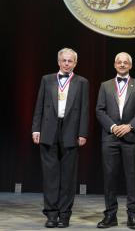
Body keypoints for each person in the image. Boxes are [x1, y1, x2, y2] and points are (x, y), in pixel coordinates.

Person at [32, 48, 89, 228]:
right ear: (58, 62)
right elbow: (39, 105)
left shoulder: (82, 82)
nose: (66, 63)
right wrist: (36, 129)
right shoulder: (47, 79)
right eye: (63, 60)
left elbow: (85, 109)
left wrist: (82, 133)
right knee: (50, 176)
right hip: (49, 128)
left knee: (68, 177)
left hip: (71, 130)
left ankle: (64, 215)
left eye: (70, 61)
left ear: (75, 63)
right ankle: (51, 214)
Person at [96, 52, 135, 229]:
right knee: (109, 177)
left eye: (126, 62)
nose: (122, 64)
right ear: (114, 64)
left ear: (130, 66)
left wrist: (129, 126)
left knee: (132, 178)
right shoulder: (105, 85)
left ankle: (133, 216)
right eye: (119, 62)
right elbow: (100, 110)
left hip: (131, 137)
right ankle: (110, 215)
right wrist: (112, 127)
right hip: (110, 137)